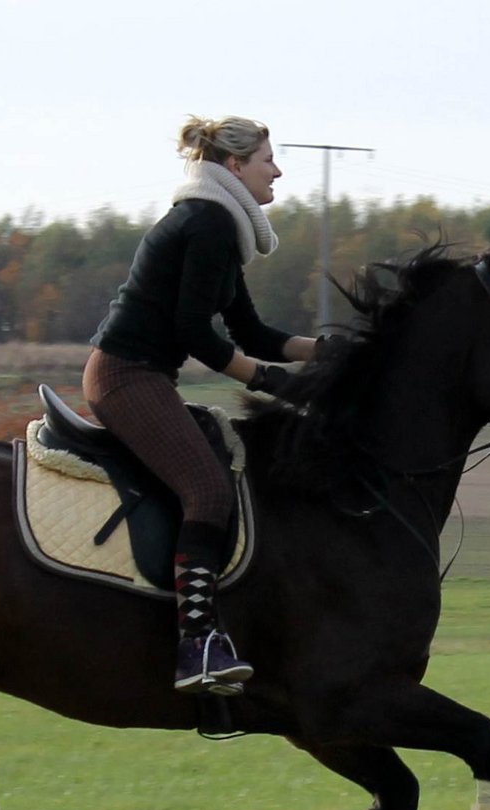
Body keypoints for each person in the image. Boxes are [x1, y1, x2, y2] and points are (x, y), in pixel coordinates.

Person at [82, 115, 317, 695]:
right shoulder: (208, 223)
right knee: (208, 489)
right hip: (124, 377)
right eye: (269, 160)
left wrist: (336, 353)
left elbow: (253, 330)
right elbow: (197, 335)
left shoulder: (221, 224)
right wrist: (271, 383)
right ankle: (196, 646)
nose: (278, 171)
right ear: (235, 166)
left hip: (145, 377)